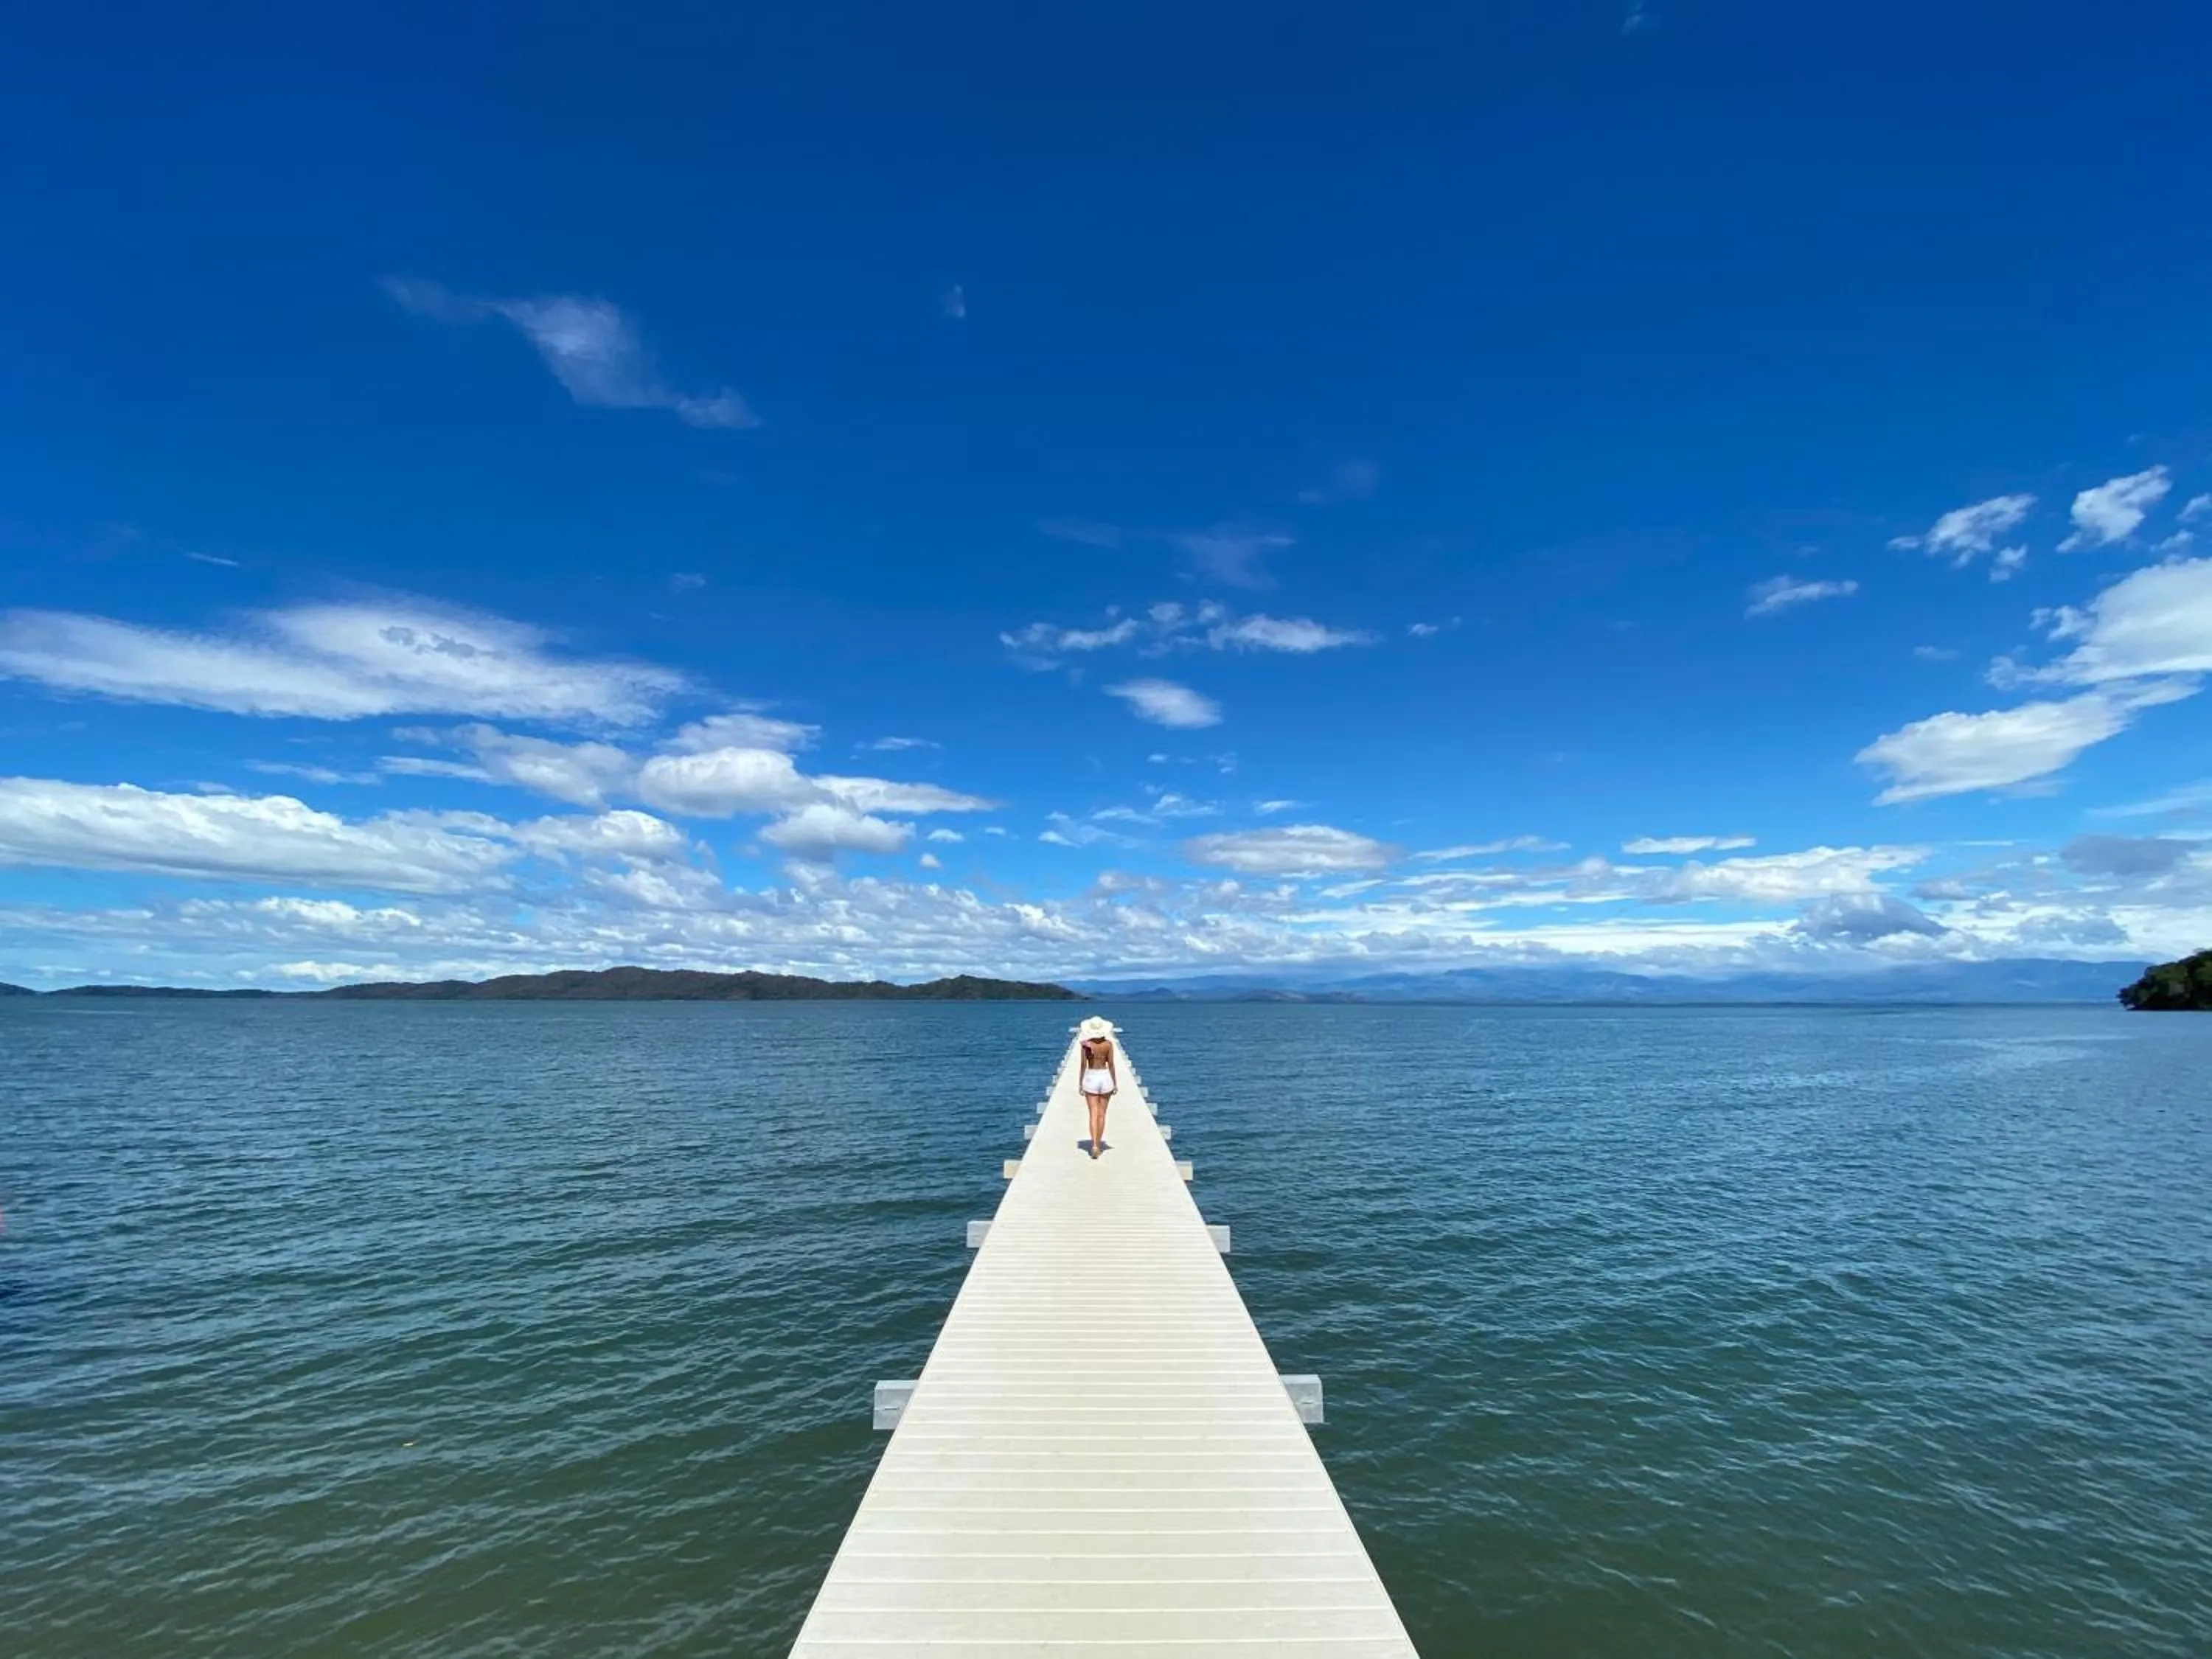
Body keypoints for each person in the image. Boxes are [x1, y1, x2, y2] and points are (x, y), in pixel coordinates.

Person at [1077, 1018, 1117, 1160]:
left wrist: (1080, 1083)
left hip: (1091, 1077)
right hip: (1105, 1077)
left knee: (1093, 1113)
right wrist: (1115, 1083)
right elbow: (1111, 1064)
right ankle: (1099, 1145)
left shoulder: (1086, 1045)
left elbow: (1083, 1065)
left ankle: (1094, 1145)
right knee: (1102, 1114)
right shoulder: (1108, 1044)